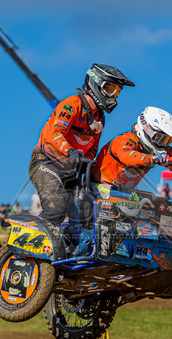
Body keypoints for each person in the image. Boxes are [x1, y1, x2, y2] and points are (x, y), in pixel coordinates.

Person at [29, 64, 134, 226]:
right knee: (56, 209)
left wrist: (87, 164)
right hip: (45, 162)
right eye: (110, 89)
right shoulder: (72, 104)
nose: (113, 96)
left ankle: (67, 241)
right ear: (95, 84)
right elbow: (55, 133)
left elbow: (93, 148)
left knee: (82, 218)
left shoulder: (99, 119)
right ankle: (31, 235)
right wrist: (70, 151)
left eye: (117, 92)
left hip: (70, 171)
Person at [91, 106, 172, 191]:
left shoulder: (162, 151)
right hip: (97, 188)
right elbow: (127, 155)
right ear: (147, 130)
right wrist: (153, 159)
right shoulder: (126, 140)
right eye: (162, 139)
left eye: (168, 140)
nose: (164, 144)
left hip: (124, 194)